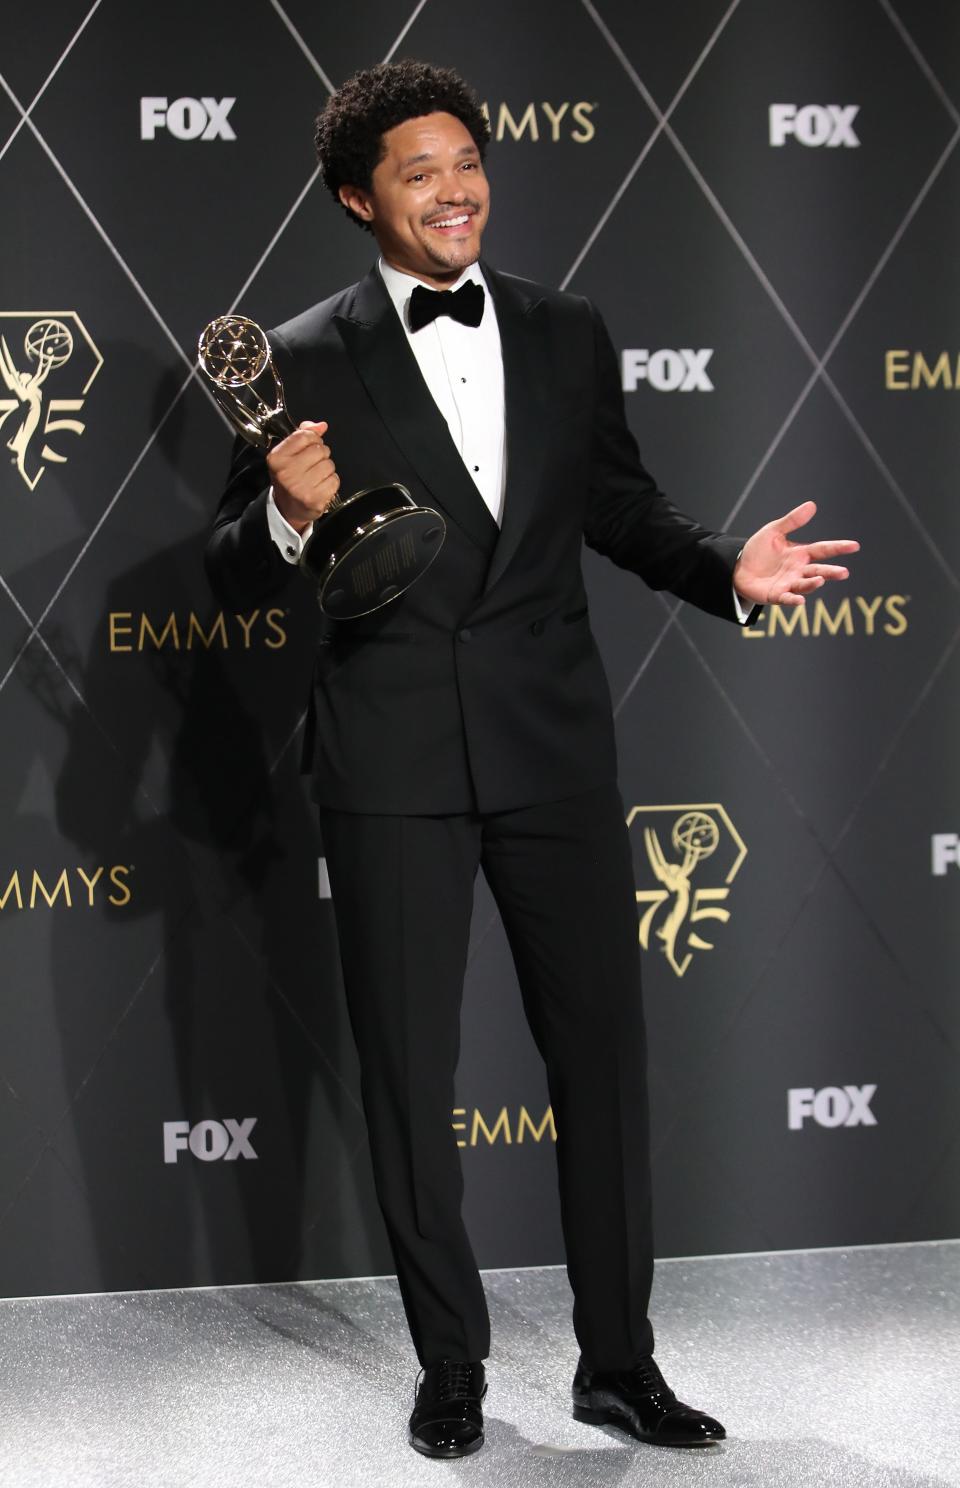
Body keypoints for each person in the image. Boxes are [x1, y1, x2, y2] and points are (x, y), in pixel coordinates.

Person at [206, 60, 858, 1460]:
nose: (456, 189)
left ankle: (619, 1363)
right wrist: (281, 518)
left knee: (605, 1066)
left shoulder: (568, 331)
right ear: (354, 197)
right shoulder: (302, 354)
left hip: (554, 746)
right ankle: (452, 1369)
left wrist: (724, 571)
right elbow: (226, 580)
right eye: (419, 171)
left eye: (468, 162)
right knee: (407, 1074)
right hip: (389, 763)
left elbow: (618, 507)